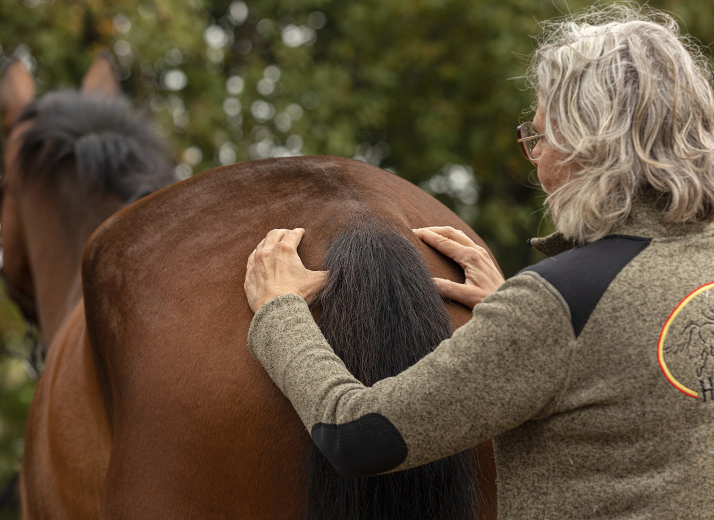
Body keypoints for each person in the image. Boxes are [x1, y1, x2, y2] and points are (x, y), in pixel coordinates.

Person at [243, 4, 714, 518]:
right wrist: (515, 319)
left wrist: (280, 313)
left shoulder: (560, 303)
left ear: (588, 145)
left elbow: (358, 439)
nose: (536, 161)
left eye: (540, 138)